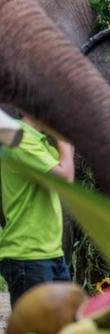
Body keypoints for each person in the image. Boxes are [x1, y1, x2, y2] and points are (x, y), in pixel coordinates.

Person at [0, 116, 74, 306]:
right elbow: (65, 180)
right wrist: (64, 139)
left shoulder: (39, 143)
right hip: (29, 257)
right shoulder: (20, 140)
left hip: (50, 254)